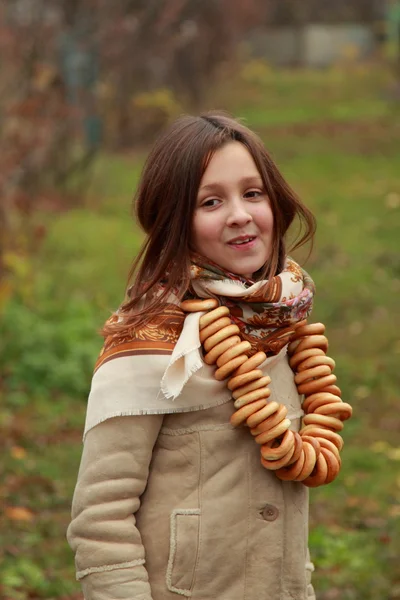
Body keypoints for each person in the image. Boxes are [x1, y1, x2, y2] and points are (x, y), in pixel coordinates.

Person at [67, 112, 318, 600]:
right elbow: (100, 523)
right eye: (210, 201)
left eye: (253, 193)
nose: (240, 214)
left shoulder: (280, 323)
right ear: (173, 221)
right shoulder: (148, 340)